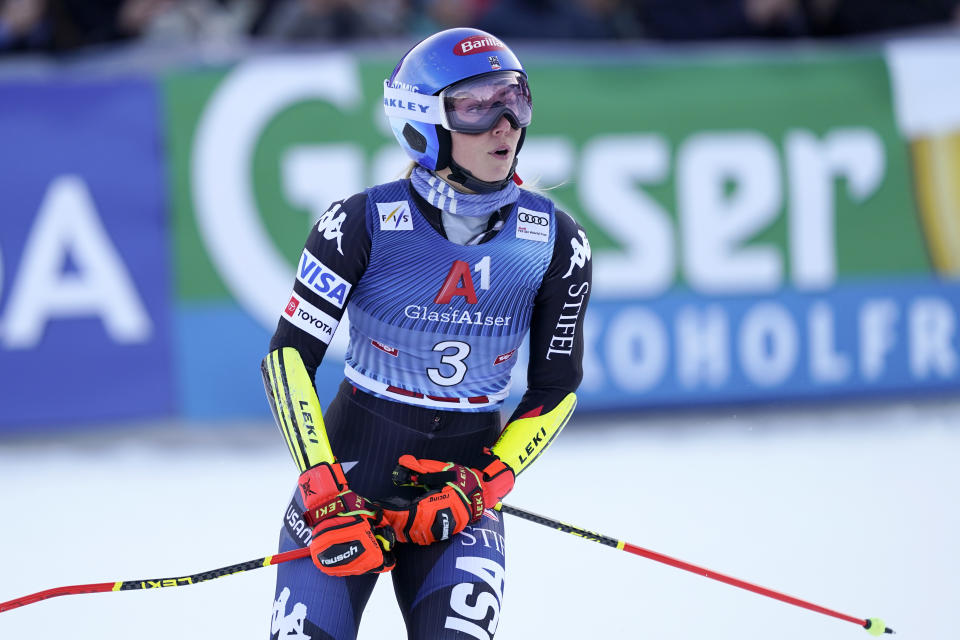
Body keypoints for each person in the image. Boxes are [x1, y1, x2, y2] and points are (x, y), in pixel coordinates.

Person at [260, 27, 592, 640]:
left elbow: (556, 389)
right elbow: (287, 362)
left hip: (459, 506)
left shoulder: (557, 242)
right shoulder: (357, 222)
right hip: (344, 490)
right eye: (475, 106)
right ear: (423, 124)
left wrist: (484, 484)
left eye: (514, 99)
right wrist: (323, 489)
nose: (504, 125)